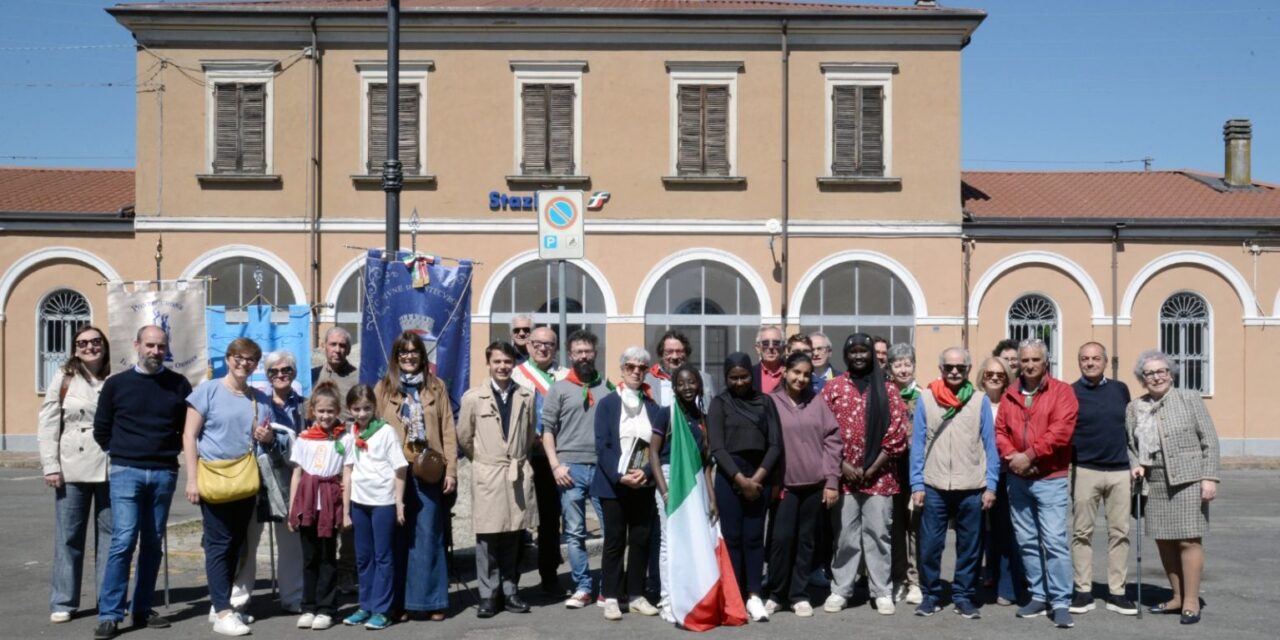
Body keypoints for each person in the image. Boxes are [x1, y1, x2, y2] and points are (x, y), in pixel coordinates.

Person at [92, 325, 191, 640]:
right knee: (123, 541)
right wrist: (121, 453)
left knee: (153, 542)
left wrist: (167, 453)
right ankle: (110, 614)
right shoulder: (116, 385)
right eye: (149, 345)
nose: (155, 352)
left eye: (161, 346)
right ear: (137, 345)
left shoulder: (178, 384)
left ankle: (142, 607)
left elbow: (186, 428)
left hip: (163, 472)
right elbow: (101, 428)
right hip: (126, 471)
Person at [183, 337, 274, 637]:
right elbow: (189, 436)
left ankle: (223, 605)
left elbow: (262, 439)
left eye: (250, 359)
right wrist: (192, 480)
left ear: (256, 364)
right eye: (239, 356)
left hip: (244, 480)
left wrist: (265, 437)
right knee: (218, 546)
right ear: (228, 358)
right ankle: (222, 611)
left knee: (237, 544)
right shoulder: (206, 391)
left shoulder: (258, 398)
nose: (243, 363)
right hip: (213, 477)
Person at [1127, 350, 1220, 625]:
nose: (1156, 377)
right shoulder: (1134, 407)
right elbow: (1130, 444)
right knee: (1164, 540)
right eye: (1149, 373)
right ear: (1142, 379)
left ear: (1170, 373)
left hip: (1188, 479)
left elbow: (1210, 441)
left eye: (1161, 371)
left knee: (1189, 539)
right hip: (1153, 482)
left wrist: (1210, 477)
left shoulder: (1189, 398)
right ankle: (1177, 596)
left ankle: (1191, 600)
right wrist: (1136, 463)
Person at [821, 333, 909, 616]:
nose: (859, 356)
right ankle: (841, 589)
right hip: (844, 476)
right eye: (853, 351)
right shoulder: (833, 388)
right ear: (846, 355)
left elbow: (897, 434)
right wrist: (844, 465)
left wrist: (872, 468)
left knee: (878, 534)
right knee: (845, 535)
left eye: (864, 351)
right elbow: (822, 432)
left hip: (880, 477)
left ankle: (881, 590)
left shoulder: (888, 389)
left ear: (872, 354)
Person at [995, 338, 1079, 628]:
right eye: (1025, 360)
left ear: (1046, 362)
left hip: (1050, 478)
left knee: (1054, 541)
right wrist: (1012, 456)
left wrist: (1029, 455)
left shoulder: (1063, 392)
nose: (1029, 365)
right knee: (1027, 541)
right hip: (1018, 479)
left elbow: (1061, 431)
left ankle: (1060, 601)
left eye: (1035, 360)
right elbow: (1000, 431)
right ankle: (1038, 594)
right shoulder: (1009, 394)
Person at [910, 347, 999, 620]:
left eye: (960, 367)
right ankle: (931, 595)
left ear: (969, 370)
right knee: (930, 545)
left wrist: (991, 484)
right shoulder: (926, 398)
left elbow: (989, 445)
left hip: (971, 484)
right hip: (934, 484)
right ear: (941, 369)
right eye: (949, 367)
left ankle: (963, 595)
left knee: (970, 546)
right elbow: (918, 444)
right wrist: (917, 484)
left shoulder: (979, 400)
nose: (954, 372)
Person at [375, 331, 456, 620]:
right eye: (403, 352)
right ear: (396, 357)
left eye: (414, 352)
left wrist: (452, 471)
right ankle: (397, 602)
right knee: (397, 537)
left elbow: (448, 429)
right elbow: (371, 429)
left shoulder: (436, 387)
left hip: (429, 470)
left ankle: (431, 602)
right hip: (393, 471)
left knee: (429, 535)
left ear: (423, 356)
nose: (409, 357)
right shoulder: (384, 388)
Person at [457, 341, 539, 618]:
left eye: (507, 362)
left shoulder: (526, 396)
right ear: (488, 364)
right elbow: (464, 437)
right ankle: (488, 595)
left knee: (514, 535)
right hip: (488, 473)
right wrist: (483, 459)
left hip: (514, 473)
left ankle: (511, 591)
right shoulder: (473, 398)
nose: (503, 366)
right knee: (488, 538)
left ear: (514, 364)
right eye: (497, 362)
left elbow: (528, 436)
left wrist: (516, 459)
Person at [39, 325, 111, 625]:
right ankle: (64, 601)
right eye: (82, 343)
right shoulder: (64, 376)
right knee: (69, 537)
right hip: (72, 464)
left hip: (110, 464)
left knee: (111, 537)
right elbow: (47, 422)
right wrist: (51, 465)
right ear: (74, 348)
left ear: (104, 345)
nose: (89, 347)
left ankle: (109, 599)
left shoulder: (116, 377)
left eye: (95, 342)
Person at [763, 352, 841, 618]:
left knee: (806, 541)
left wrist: (831, 481)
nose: (801, 378)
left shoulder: (818, 403)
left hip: (813, 485)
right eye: (796, 372)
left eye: (806, 374)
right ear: (784, 372)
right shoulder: (770, 403)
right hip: (782, 485)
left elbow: (833, 441)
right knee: (781, 540)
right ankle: (776, 593)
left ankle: (798, 594)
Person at [707, 352, 783, 622]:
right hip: (730, 478)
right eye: (733, 377)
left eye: (744, 376)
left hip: (759, 474)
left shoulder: (765, 402)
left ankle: (753, 594)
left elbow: (775, 444)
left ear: (752, 376)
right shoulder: (719, 403)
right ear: (726, 377)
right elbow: (717, 447)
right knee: (733, 539)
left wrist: (757, 480)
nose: (739, 382)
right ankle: (734, 593)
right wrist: (741, 480)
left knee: (753, 538)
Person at [593, 346, 666, 620]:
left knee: (640, 539)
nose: (636, 371)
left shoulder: (654, 407)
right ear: (622, 369)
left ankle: (635, 594)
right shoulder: (608, 403)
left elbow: (658, 447)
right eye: (631, 367)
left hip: (642, 484)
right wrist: (620, 475)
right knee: (614, 540)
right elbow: (603, 445)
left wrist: (645, 473)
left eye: (641, 368)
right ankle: (611, 596)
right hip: (613, 485)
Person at [229, 350, 304, 617]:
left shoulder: (304, 406)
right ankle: (238, 600)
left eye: (286, 371)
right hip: (257, 479)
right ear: (268, 375)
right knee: (248, 540)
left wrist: (277, 440)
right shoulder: (258, 402)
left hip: (291, 481)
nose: (281, 375)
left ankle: (293, 596)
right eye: (274, 372)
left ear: (294, 373)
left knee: (291, 542)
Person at [542, 329, 614, 608]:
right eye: (578, 352)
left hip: (602, 469)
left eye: (588, 351)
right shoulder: (558, 389)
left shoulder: (606, 387)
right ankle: (583, 586)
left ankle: (608, 586)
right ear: (570, 356)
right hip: (569, 468)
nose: (583, 356)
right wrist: (556, 466)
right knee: (574, 532)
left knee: (611, 530)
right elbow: (547, 430)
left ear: (595, 354)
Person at [1069, 342, 1137, 616]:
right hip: (1085, 469)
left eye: (1095, 358)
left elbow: (1131, 425)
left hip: (1120, 470)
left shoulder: (1120, 389)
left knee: (1119, 533)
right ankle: (1083, 590)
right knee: (1081, 533)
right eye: (1084, 358)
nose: (1090, 362)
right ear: (1079, 362)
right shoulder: (1070, 392)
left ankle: (1117, 592)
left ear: (1105, 361)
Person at [287, 382, 353, 631]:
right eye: (320, 411)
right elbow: (297, 474)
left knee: (327, 556)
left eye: (330, 411)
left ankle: (327, 608)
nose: (325, 416)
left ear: (337, 412)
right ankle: (308, 606)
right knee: (309, 557)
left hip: (329, 500)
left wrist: (345, 511)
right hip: (307, 502)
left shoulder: (344, 438)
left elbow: (347, 474)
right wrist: (293, 510)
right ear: (312, 411)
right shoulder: (304, 438)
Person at [342, 384, 408, 631]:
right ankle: (365, 605)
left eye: (367, 408)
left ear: (374, 407)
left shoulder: (386, 432)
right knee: (363, 557)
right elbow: (347, 471)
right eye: (356, 409)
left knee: (383, 557)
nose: (361, 413)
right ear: (349, 409)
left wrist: (399, 505)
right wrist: (346, 509)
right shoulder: (350, 433)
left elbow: (400, 468)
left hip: (382, 502)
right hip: (359, 503)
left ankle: (382, 609)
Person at [650, 364, 711, 623]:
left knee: (694, 540)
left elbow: (707, 462)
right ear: (674, 388)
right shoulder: (666, 415)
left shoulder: (703, 417)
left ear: (699, 385)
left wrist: (713, 498)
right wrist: (664, 491)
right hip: (670, 477)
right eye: (682, 383)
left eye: (692, 382)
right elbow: (653, 452)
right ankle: (667, 600)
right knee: (669, 540)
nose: (688, 387)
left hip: (696, 481)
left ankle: (690, 595)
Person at [511, 326, 568, 595]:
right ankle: (511, 579)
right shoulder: (515, 373)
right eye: (538, 343)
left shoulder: (566, 375)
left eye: (549, 344)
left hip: (552, 457)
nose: (543, 348)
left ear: (556, 347)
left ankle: (549, 574)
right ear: (529, 345)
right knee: (517, 518)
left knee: (549, 518)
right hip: (522, 455)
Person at [311, 326, 359, 593]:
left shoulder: (357, 378)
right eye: (333, 345)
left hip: (347, 458)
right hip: (317, 458)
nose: (338, 350)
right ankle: (321, 570)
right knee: (320, 516)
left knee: (346, 518)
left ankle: (346, 571)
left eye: (342, 346)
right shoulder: (311, 376)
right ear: (323, 345)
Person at [977, 356, 1025, 607]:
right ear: (982, 377)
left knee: (1005, 533)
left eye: (1000, 374)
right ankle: (981, 580)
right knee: (978, 534)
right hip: (976, 477)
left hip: (1008, 474)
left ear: (1008, 377)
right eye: (989, 374)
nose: (994, 378)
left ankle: (1007, 587)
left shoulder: (1013, 402)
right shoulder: (974, 401)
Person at [885, 343, 923, 606]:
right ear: (890, 368)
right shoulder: (885, 394)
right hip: (889, 467)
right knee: (894, 525)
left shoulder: (924, 395)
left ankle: (915, 580)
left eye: (907, 363)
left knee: (914, 525)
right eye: (897, 364)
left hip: (915, 467)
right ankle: (897, 578)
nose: (903, 369)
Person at [644, 329, 716, 409]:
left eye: (679, 351)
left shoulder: (704, 379)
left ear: (687, 354)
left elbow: (713, 411)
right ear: (661, 355)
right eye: (669, 352)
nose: (675, 357)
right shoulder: (648, 381)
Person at [750, 326, 785, 394]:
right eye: (765, 343)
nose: (771, 347)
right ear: (758, 348)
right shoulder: (749, 374)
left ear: (783, 348)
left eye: (776, 343)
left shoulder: (792, 372)